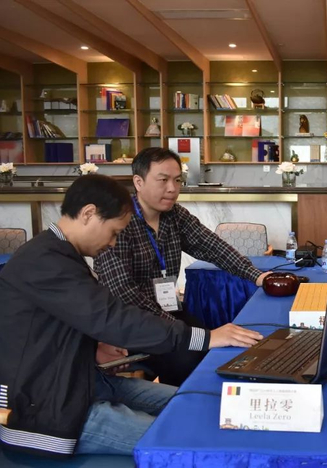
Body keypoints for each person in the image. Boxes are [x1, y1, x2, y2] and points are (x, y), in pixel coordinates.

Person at [0, 175, 262, 457]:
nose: (113, 243)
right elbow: (113, 318)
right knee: (189, 437)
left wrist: (95, 346)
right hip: (46, 408)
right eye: (113, 232)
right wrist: (205, 337)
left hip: (83, 382)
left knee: (204, 403)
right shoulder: (44, 260)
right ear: (88, 214)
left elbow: (59, 322)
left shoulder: (58, 252)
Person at [94, 147, 271, 386]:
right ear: (138, 182)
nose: (172, 188)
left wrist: (258, 276)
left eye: (177, 180)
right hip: (130, 321)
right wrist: (189, 334)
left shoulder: (175, 215)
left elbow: (213, 246)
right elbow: (124, 293)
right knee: (188, 356)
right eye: (163, 180)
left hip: (168, 312)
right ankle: (178, 403)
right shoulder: (118, 222)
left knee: (220, 346)